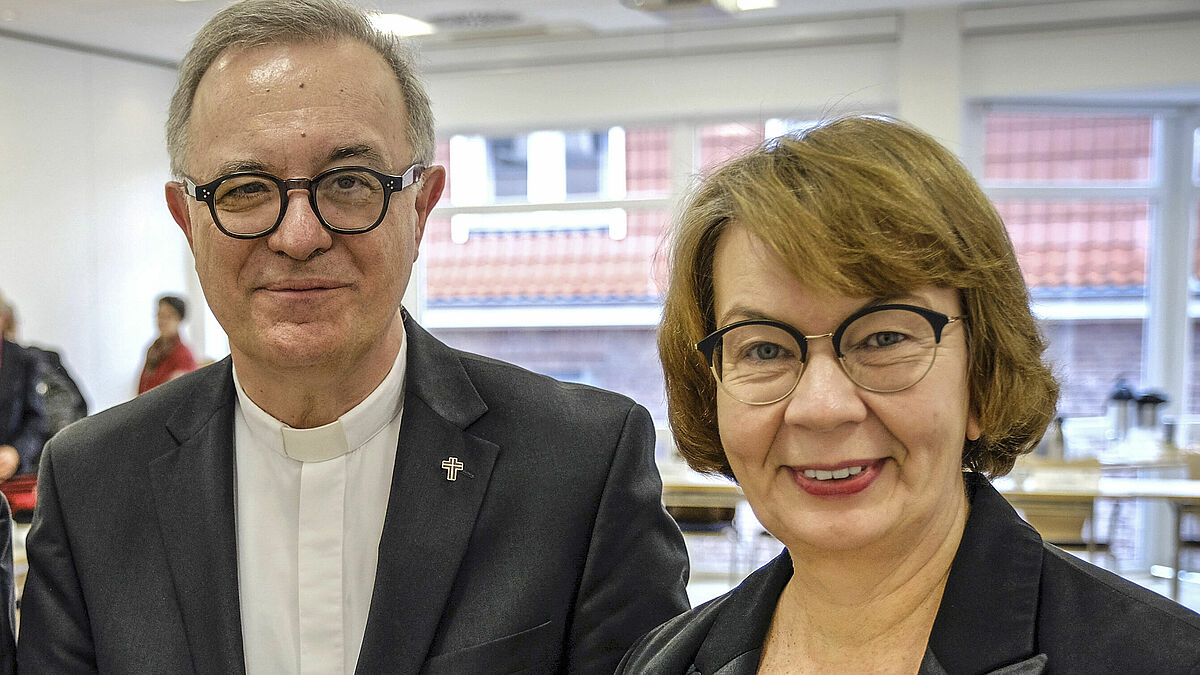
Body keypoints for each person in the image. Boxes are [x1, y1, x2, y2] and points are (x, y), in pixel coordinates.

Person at [17, 1, 689, 672]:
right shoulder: (93, 486)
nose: (299, 236)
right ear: (187, 221)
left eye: (349, 182)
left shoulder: (579, 467)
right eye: (246, 187)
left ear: (421, 207)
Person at [620, 116, 1200, 674]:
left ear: (981, 374)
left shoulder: (1161, 659)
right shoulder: (663, 662)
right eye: (764, 350)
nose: (823, 407)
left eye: (884, 337)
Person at [0, 292, 47, 485]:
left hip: (11, 478)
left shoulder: (23, 360)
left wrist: (16, 453)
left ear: (3, 319)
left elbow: (36, 420)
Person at [137, 294, 199, 394]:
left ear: (179, 319)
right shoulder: (153, 350)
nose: (162, 321)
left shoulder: (183, 354)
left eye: (168, 316)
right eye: (160, 315)